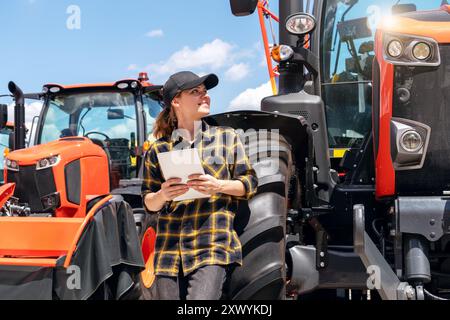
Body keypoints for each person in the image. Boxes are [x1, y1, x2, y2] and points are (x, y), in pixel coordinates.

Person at [141, 71, 258, 300]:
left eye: (205, 92)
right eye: (195, 92)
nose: (204, 96)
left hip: (212, 242)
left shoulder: (227, 138)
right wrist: (163, 195)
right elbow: (148, 202)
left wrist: (218, 185)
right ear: (176, 101)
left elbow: (250, 184)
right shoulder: (158, 149)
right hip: (169, 249)